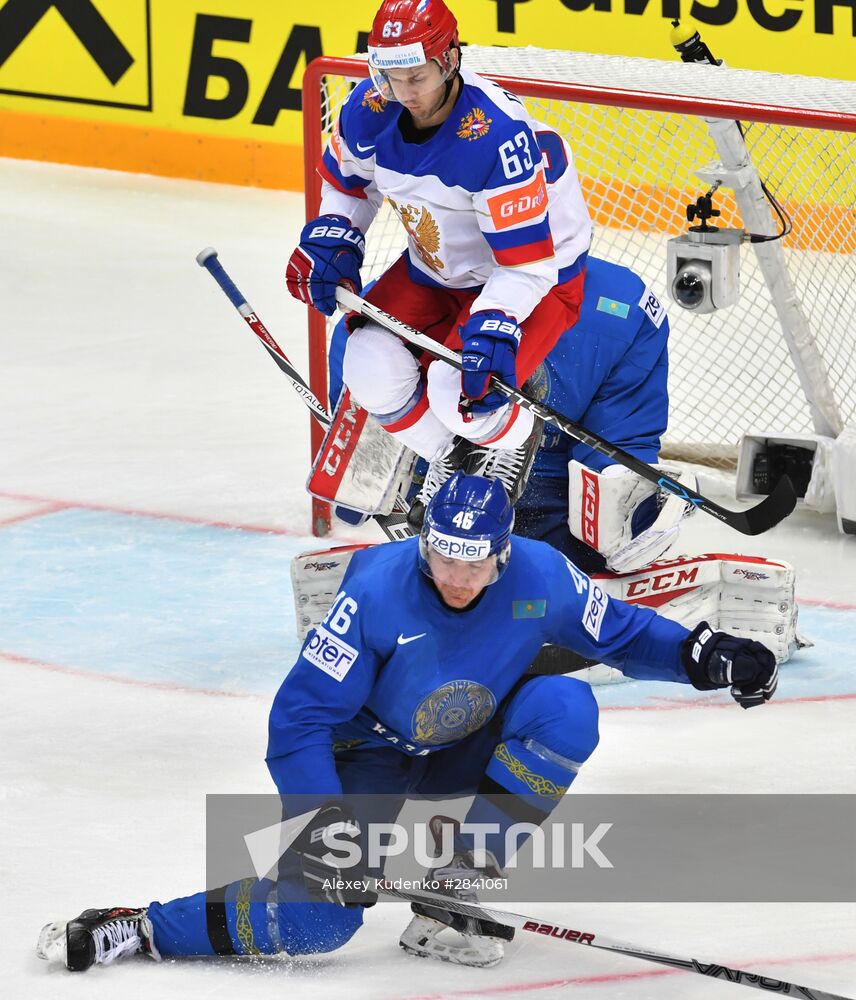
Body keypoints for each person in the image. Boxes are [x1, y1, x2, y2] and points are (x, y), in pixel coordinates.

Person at [38, 473, 778, 974]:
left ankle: (457, 879)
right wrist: (323, 825)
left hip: (459, 743)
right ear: (425, 544)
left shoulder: (543, 577)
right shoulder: (377, 590)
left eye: (473, 563)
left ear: (503, 552)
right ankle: (141, 926)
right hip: (364, 753)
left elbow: (621, 633)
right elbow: (297, 722)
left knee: (565, 708)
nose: (457, 579)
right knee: (318, 926)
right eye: (443, 558)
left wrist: (706, 656)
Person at [286, 0, 592, 520]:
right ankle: (452, 461)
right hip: (435, 270)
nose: (404, 94)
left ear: (449, 58)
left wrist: (495, 323)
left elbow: (526, 265)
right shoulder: (369, 108)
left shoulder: (496, 136)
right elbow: (348, 186)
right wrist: (336, 235)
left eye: (417, 77)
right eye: (389, 77)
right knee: (366, 365)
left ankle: (515, 433)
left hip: (536, 276)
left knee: (460, 394)